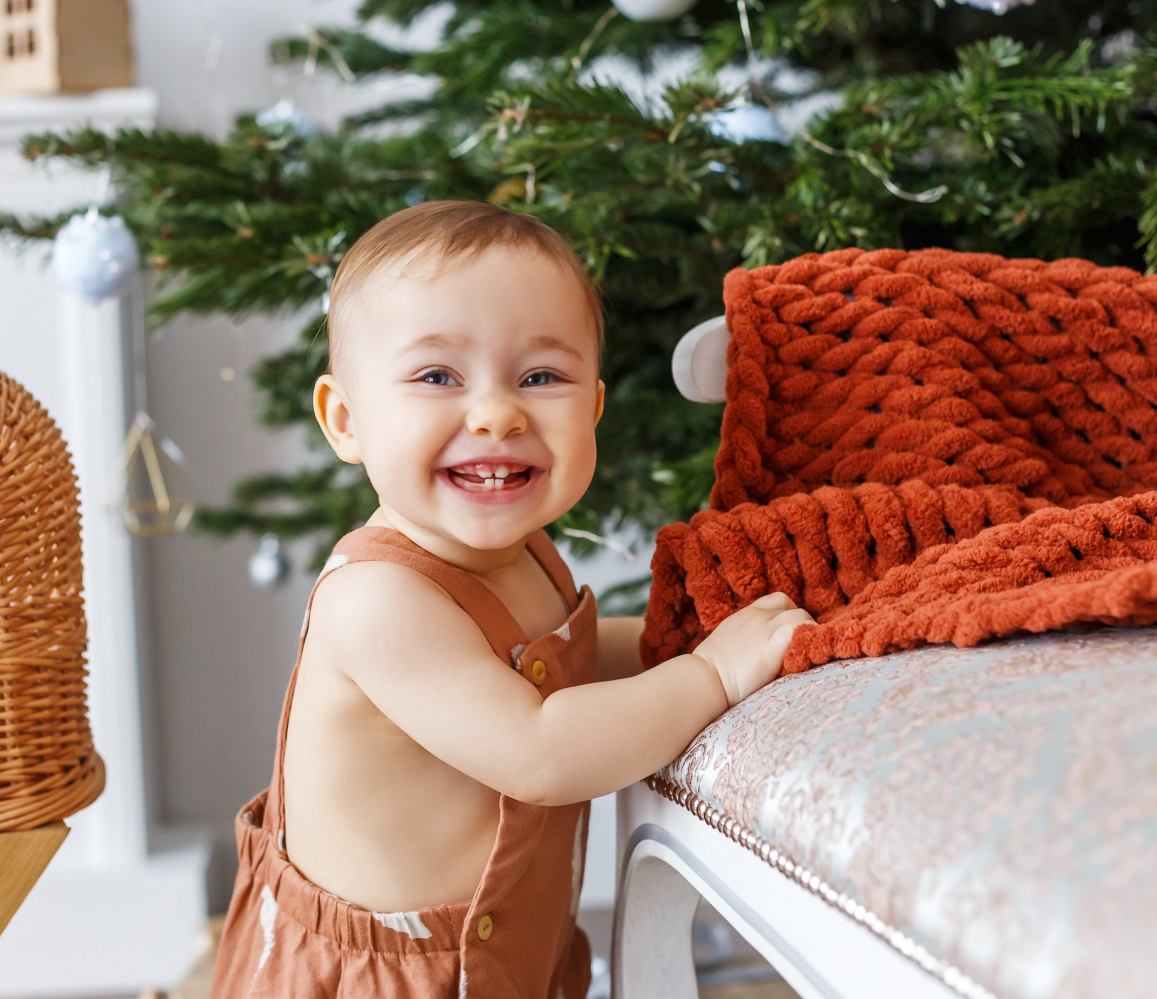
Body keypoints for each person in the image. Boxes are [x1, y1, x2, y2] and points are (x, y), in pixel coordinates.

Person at [210, 200, 811, 999]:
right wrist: (712, 678)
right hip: (384, 984)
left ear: (592, 409)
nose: (497, 413)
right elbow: (540, 749)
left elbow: (556, 660)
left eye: (541, 376)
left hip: (497, 964)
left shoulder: (525, 553)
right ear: (345, 421)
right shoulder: (378, 602)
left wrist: (682, 636)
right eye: (436, 377)